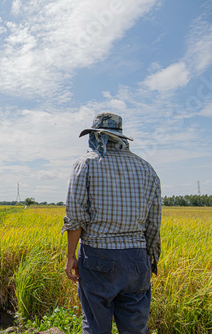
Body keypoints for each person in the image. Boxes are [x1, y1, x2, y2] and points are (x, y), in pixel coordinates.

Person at [61, 112, 161, 334]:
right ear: (121, 138)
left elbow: (76, 217)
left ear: (97, 136)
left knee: (97, 327)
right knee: (135, 328)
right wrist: (151, 259)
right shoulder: (146, 168)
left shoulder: (85, 164)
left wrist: (70, 256)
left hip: (99, 258)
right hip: (137, 260)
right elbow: (154, 222)